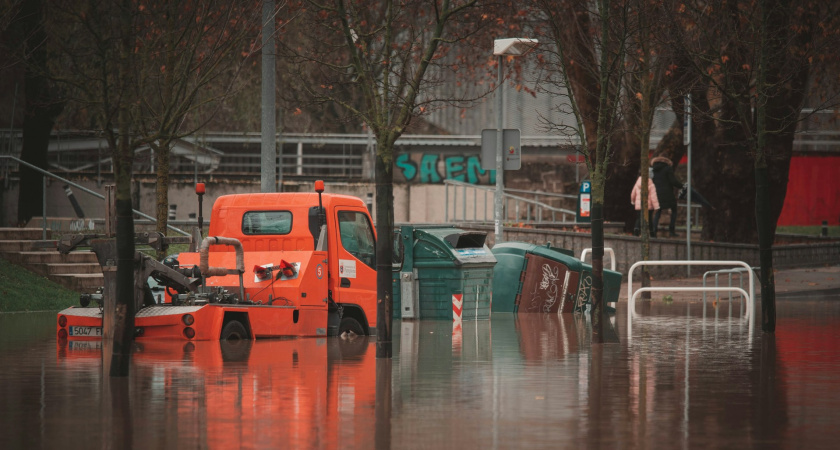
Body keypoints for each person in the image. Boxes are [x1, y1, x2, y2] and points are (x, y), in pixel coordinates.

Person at [651, 156, 683, 237]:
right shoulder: (668, 168)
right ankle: (671, 231)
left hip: (656, 193)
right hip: (667, 193)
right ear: (667, 162)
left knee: (658, 212)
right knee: (674, 210)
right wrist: (681, 186)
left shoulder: (653, 170)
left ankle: (654, 231)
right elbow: (673, 181)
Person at [630, 169, 660, 237]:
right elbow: (653, 196)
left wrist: (633, 201)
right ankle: (652, 233)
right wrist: (656, 206)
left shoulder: (638, 182)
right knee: (649, 219)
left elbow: (633, 193)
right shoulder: (651, 184)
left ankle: (636, 231)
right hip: (648, 206)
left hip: (638, 205)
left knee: (638, 218)